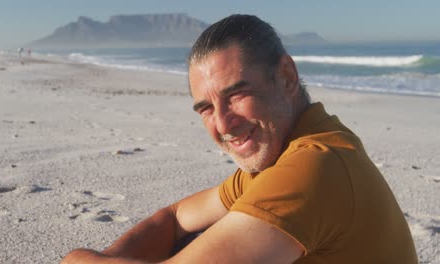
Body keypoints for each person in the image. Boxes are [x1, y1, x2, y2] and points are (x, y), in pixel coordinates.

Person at [61, 14, 417, 263]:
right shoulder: (285, 152)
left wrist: (79, 260)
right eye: (205, 108)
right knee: (199, 236)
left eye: (236, 94)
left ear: (287, 77)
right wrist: (108, 259)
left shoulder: (316, 164)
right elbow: (175, 218)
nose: (222, 123)